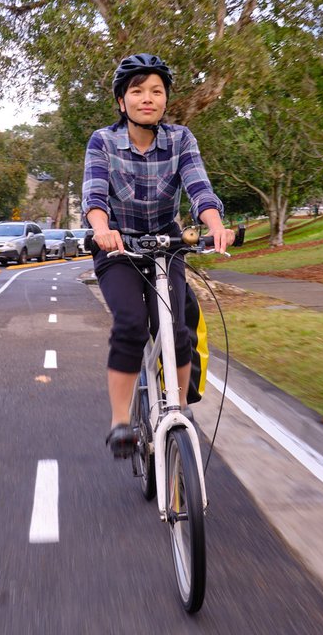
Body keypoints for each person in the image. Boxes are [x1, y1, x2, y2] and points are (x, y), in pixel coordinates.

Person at [82, 53, 234, 458]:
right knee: (132, 325)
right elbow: (95, 196)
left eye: (156, 91)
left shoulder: (181, 139)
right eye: (137, 91)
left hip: (167, 246)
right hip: (118, 247)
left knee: (177, 330)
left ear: (165, 100)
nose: (147, 98)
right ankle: (119, 423)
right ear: (121, 101)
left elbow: (199, 186)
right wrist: (102, 229)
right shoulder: (103, 141)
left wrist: (215, 224)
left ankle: (179, 411)